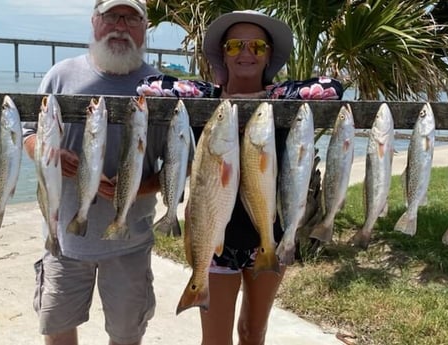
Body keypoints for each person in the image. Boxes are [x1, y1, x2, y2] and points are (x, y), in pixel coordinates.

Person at [137, 10, 343, 345]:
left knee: (253, 332)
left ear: (268, 56)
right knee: (216, 340)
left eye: (257, 47)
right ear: (223, 54)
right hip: (212, 234)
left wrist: (258, 100)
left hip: (269, 233)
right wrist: (225, 100)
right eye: (234, 46)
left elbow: (332, 88)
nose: (246, 53)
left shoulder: (282, 98)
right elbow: (148, 87)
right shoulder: (203, 96)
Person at [21, 1, 166, 344]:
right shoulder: (60, 75)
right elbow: (28, 133)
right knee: (57, 328)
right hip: (63, 241)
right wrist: (45, 152)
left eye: (132, 18)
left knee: (127, 334)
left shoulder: (160, 86)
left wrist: (136, 189)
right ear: (94, 22)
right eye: (112, 16)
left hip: (131, 242)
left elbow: (177, 164)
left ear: (145, 28)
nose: (121, 25)